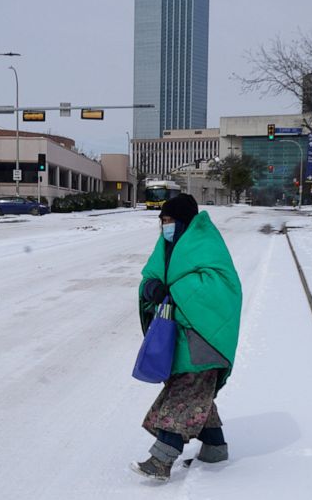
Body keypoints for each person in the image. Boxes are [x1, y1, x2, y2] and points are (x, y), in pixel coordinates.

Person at [132, 194, 242, 482]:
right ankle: (215, 448)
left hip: (204, 338)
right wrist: (151, 288)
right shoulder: (166, 246)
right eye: (162, 221)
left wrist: (172, 291)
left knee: (184, 396)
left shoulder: (206, 244)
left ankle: (161, 460)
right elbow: (151, 276)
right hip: (178, 337)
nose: (165, 226)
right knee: (197, 394)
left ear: (184, 222)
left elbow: (219, 287)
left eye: (170, 220)